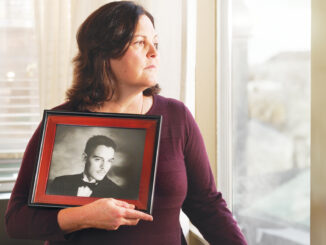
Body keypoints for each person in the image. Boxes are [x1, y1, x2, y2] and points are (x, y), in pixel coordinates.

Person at [5, 1, 248, 245]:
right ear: (105, 53)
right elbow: (16, 220)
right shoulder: (61, 122)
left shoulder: (177, 116)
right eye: (140, 43)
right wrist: (81, 216)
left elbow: (207, 206)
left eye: (156, 43)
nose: (153, 52)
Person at [47, 135, 125, 198]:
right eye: (98, 159)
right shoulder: (60, 182)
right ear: (84, 158)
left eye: (109, 161)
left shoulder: (118, 193)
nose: (104, 166)